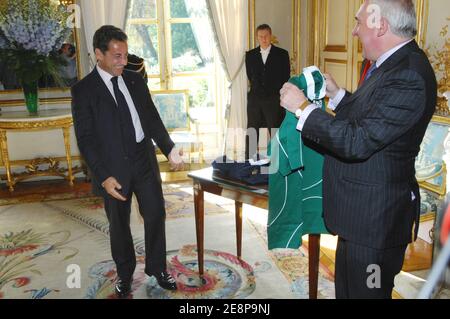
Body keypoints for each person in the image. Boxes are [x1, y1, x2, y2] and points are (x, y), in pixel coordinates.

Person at [280, 0, 437, 298]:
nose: (353, 32)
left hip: (375, 227)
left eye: (358, 23)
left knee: (368, 294)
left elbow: (358, 140)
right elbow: (373, 117)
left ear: (381, 26)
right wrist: (337, 95)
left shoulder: (409, 74)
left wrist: (303, 109)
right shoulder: (391, 63)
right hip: (359, 218)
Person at [71, 25, 184, 298]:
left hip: (143, 160)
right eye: (116, 56)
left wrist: (169, 148)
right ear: (99, 54)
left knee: (156, 213)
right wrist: (102, 175)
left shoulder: (134, 79)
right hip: (113, 170)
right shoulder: (83, 90)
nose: (123, 61)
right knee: (119, 225)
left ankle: (157, 267)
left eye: (125, 54)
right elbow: (85, 139)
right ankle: (124, 273)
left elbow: (151, 117)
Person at [245, 24, 290, 160]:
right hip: (255, 101)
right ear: (257, 37)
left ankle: (278, 161)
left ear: (271, 36)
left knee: (276, 131)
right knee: (252, 132)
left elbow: (285, 77)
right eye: (260, 36)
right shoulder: (250, 55)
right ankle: (250, 163)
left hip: (273, 101)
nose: (263, 39)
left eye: (266, 36)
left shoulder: (282, 54)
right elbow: (250, 76)